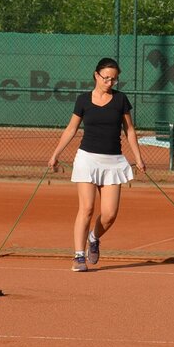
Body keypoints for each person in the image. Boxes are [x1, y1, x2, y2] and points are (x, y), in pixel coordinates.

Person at [48, 58, 146, 272]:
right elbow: (71, 129)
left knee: (110, 214)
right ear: (96, 75)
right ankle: (79, 255)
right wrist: (56, 153)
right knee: (87, 208)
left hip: (113, 161)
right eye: (106, 78)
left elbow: (129, 131)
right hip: (87, 159)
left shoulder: (121, 100)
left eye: (114, 79)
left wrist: (138, 157)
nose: (110, 82)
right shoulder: (83, 100)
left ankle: (94, 238)